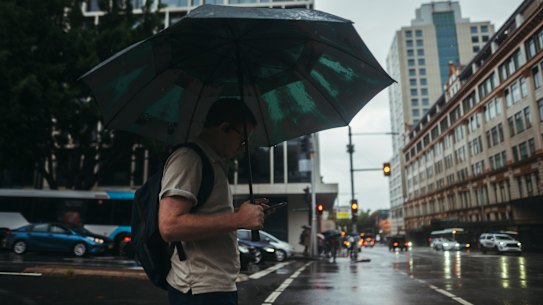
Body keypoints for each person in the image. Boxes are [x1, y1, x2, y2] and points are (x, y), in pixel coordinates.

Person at [158, 98, 268, 305]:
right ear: (224, 128)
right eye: (242, 140)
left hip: (215, 286)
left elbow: (203, 214)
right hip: (200, 290)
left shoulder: (212, 163)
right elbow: (169, 226)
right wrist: (238, 219)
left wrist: (241, 213)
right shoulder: (189, 159)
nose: (243, 148)